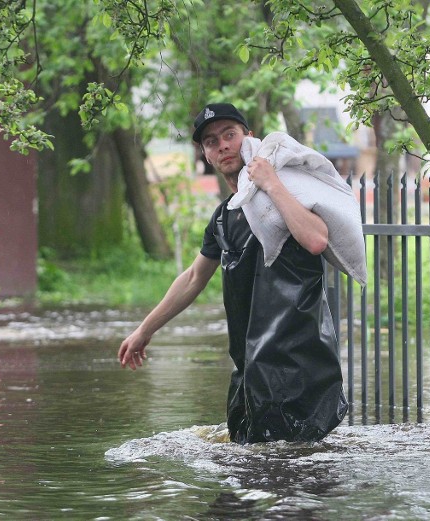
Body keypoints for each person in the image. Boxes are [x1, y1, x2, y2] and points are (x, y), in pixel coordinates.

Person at [118, 103, 348, 444]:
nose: (223, 145)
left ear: (249, 139)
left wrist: (271, 183)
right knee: (245, 477)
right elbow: (194, 278)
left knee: (292, 480)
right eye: (212, 141)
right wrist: (143, 331)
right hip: (250, 369)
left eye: (230, 135)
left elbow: (316, 240)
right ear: (205, 155)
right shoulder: (223, 217)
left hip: (298, 365)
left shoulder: (283, 195)